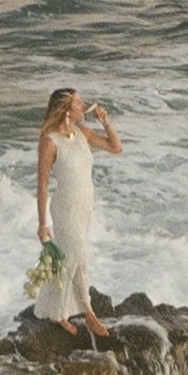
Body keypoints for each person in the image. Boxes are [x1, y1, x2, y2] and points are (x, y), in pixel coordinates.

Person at [34, 87, 122, 337]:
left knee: (68, 260)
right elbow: (42, 185)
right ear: (66, 109)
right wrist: (42, 224)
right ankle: (88, 313)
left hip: (85, 206)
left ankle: (57, 311)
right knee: (77, 256)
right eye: (78, 102)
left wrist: (106, 122)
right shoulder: (50, 141)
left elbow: (116, 147)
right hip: (66, 208)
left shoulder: (82, 132)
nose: (83, 106)